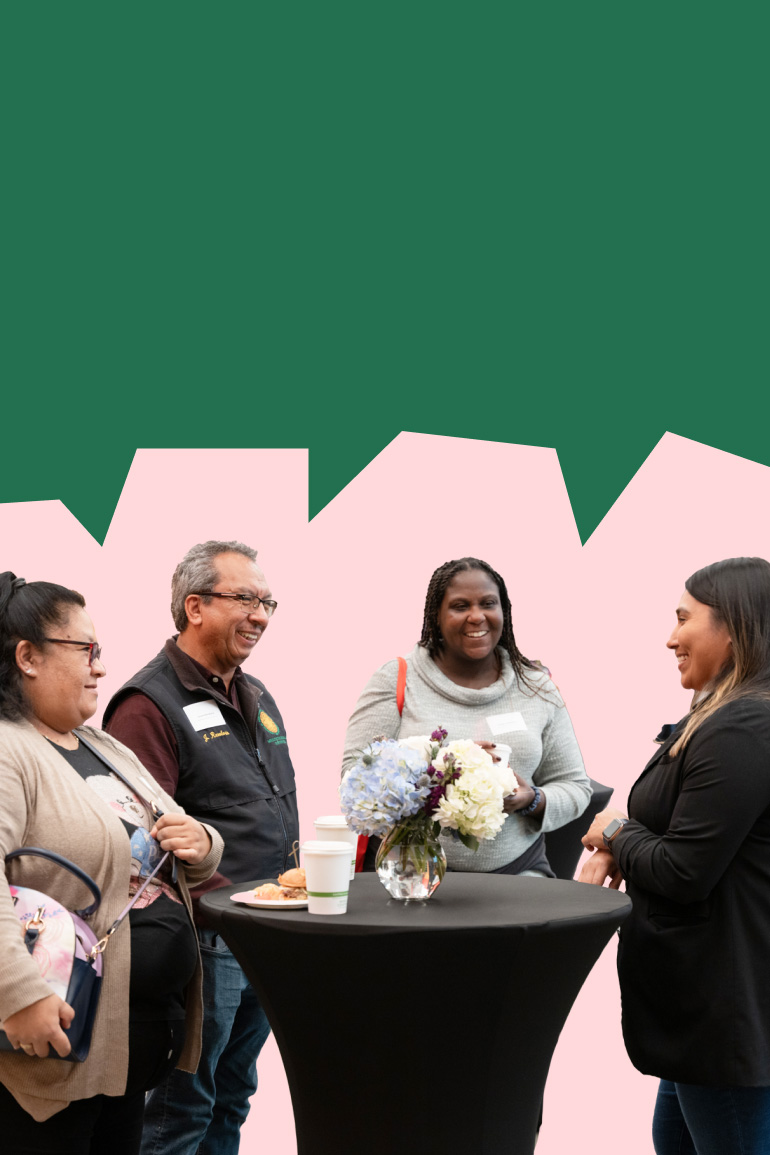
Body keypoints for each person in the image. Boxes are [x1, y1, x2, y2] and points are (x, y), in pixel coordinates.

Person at [0, 572, 223, 1155]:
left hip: (125, 1051)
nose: (101, 668)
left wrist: (201, 840)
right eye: (87, 651)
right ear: (27, 656)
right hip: (51, 1055)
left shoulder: (102, 745)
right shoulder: (8, 749)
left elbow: (187, 837)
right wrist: (19, 993)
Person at [103, 540, 299, 1155]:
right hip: (206, 940)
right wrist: (219, 908)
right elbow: (136, 839)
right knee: (181, 1107)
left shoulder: (256, 693)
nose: (261, 615)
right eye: (245, 598)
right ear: (195, 606)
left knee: (234, 1095)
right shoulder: (146, 705)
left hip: (268, 931)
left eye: (267, 601)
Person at [580, 557, 770, 1155]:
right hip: (702, 1015)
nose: (670, 637)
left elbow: (686, 871)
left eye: (684, 618)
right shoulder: (719, 714)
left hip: (726, 1018)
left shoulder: (745, 726)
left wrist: (616, 833)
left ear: (734, 628)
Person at [342, 557, 590, 876]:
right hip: (411, 876)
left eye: (488, 603)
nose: (477, 616)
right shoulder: (396, 679)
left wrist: (532, 799)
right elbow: (354, 776)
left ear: (504, 612)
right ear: (436, 615)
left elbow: (575, 786)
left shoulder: (537, 686)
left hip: (517, 875)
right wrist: (444, 769)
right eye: (460, 606)